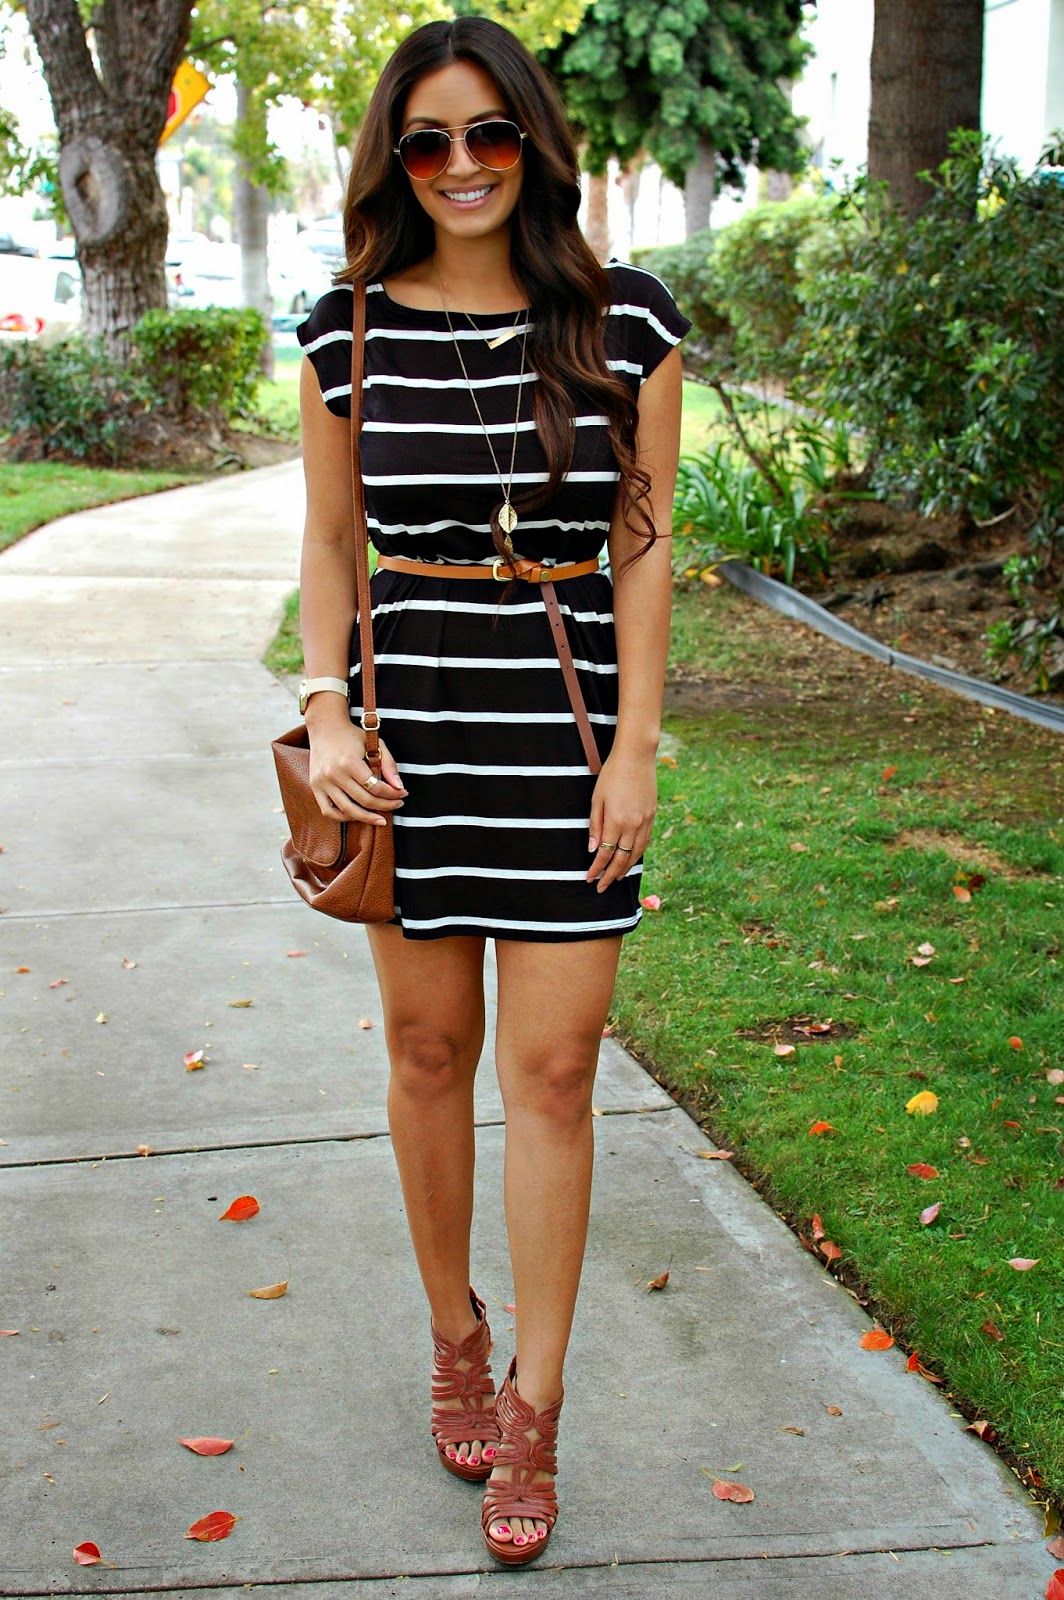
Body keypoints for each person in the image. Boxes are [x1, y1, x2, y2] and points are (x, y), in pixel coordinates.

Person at [294, 14, 689, 1568]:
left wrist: (637, 747)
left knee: (556, 1072)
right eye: (429, 141)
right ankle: (454, 1333)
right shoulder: (347, 330)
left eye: (489, 133)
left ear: (533, 140)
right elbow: (332, 542)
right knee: (425, 1050)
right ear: (397, 162)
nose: (462, 164)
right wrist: (326, 712)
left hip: (567, 717)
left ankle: (536, 1398)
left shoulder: (626, 319)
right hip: (409, 731)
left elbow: (643, 542)